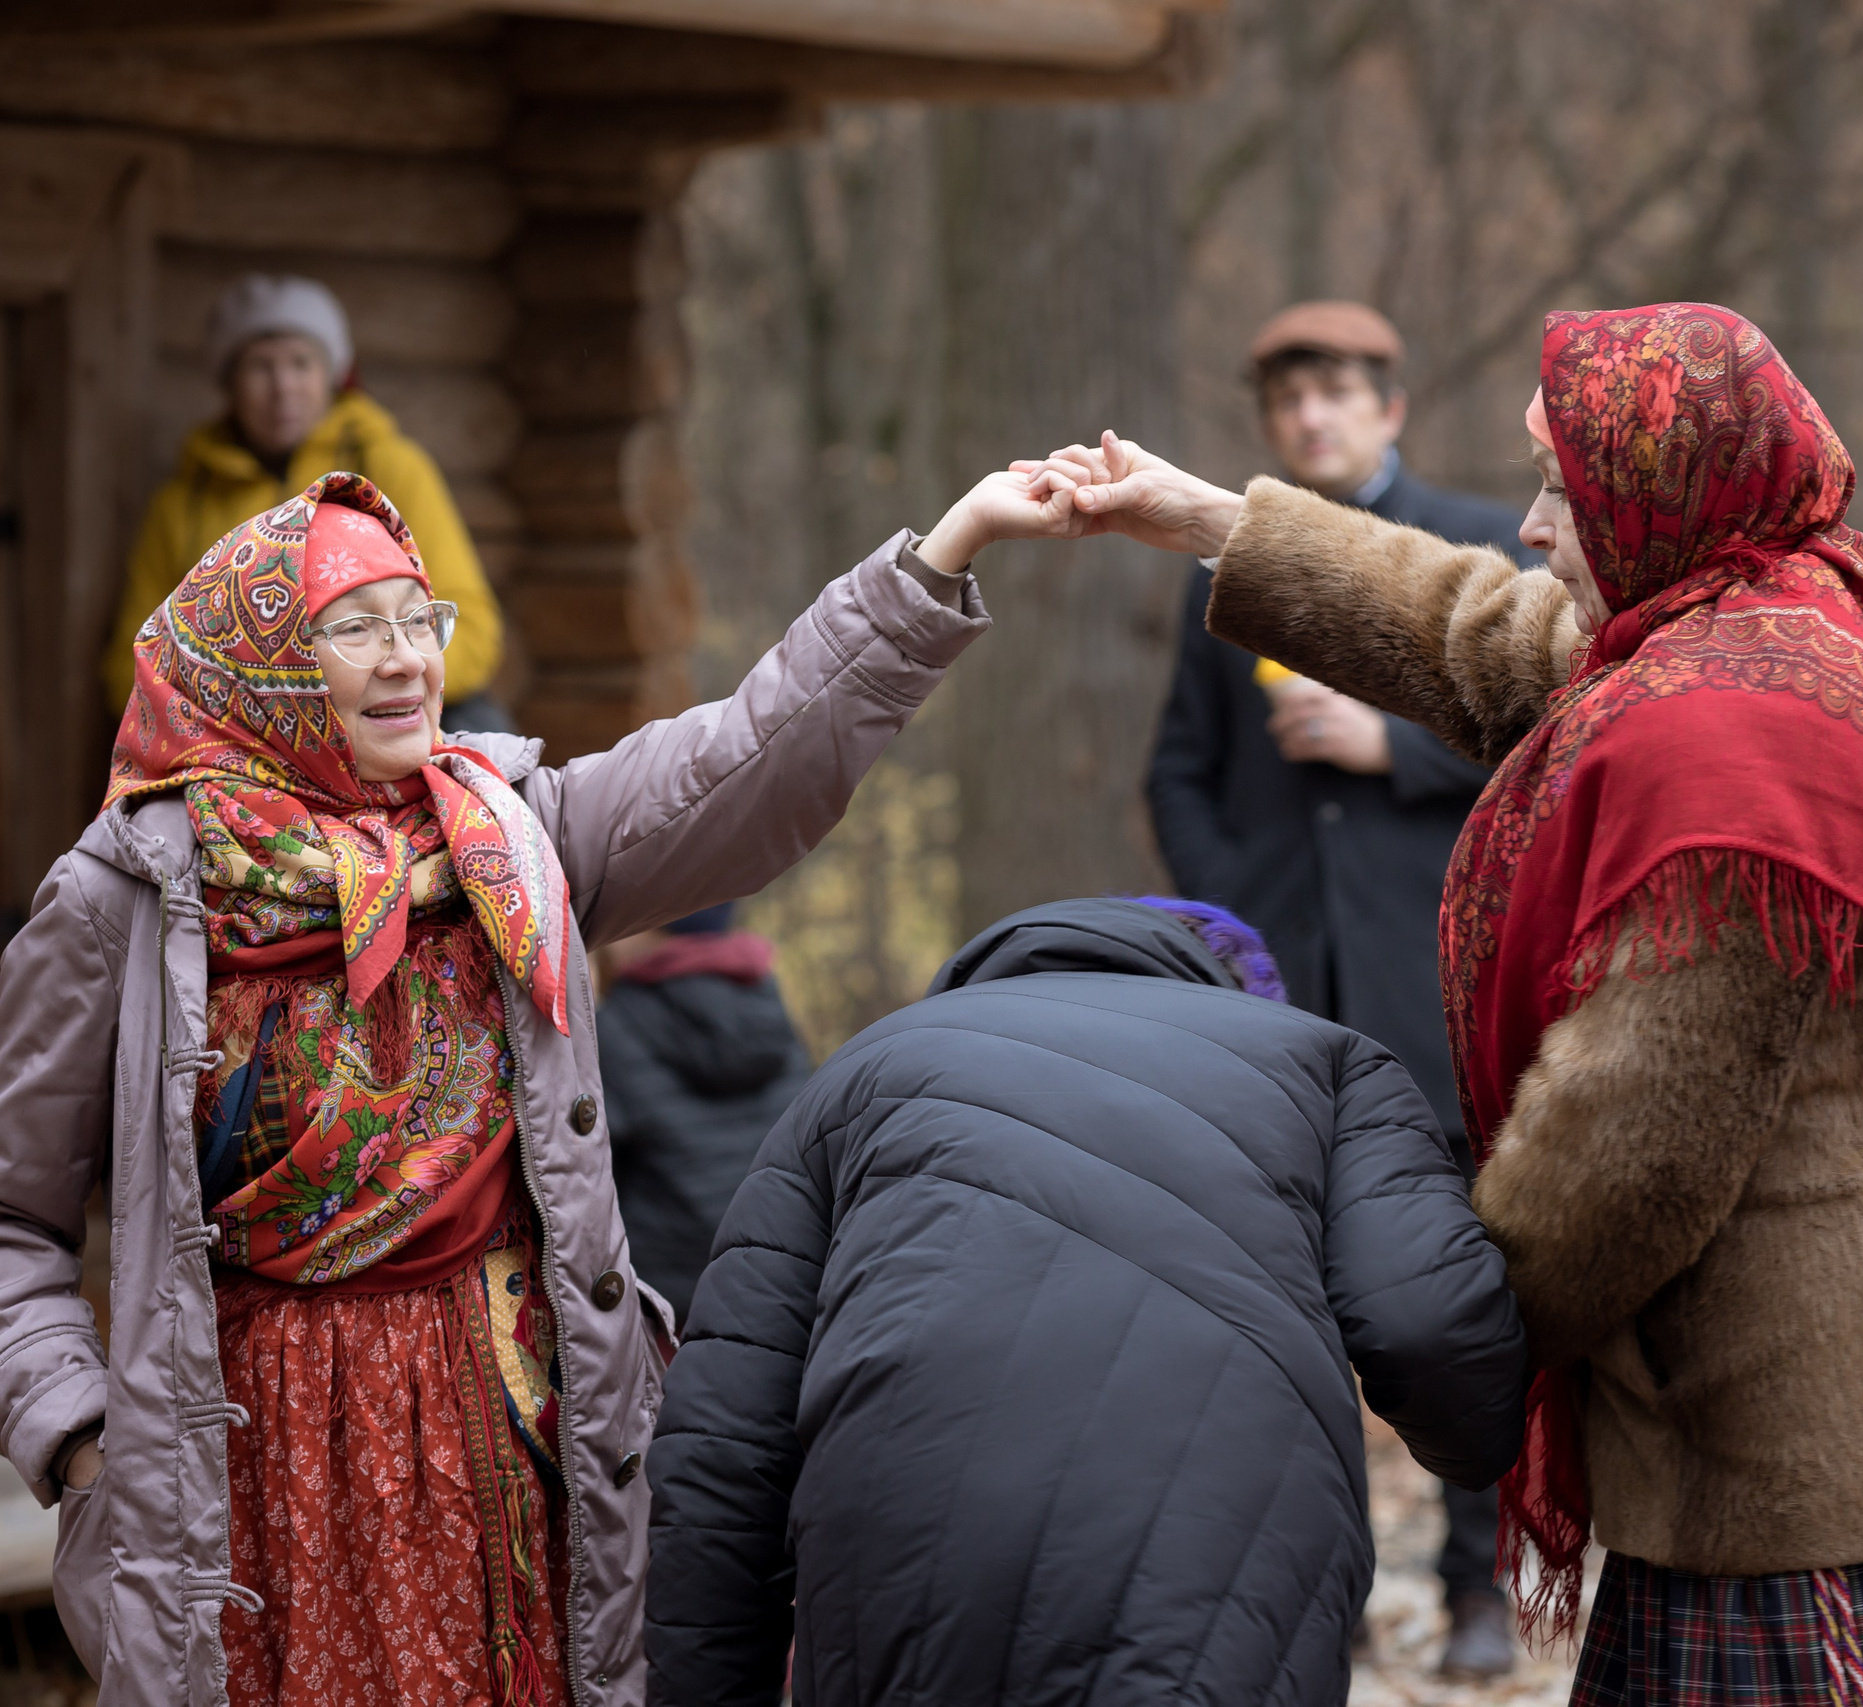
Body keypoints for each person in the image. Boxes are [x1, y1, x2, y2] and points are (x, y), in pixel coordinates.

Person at [1030, 300, 1863, 1705]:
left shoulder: (1724, 767)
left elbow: (1620, 1159)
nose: (1533, 526)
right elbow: (1488, 631)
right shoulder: (1792, 618)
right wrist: (1212, 522)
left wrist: (1425, 1339)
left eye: (1562, 490)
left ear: (1668, 494)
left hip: (1810, 1462)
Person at [0, 455, 1094, 1705]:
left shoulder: (512, 838)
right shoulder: (123, 903)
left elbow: (749, 757)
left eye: (423, 620)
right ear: (258, 671)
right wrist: (80, 1440)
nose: (410, 658)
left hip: (512, 1437)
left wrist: (937, 558)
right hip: (253, 1474)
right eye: (356, 630)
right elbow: (11, 1215)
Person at [644, 895, 1527, 1707]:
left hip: (904, 1553)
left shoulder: (867, 1068)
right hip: (1226, 1553)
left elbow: (725, 1443)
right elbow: (1429, 1322)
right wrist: (1477, 1444)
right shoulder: (1324, 1059)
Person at [1145, 298, 1535, 1676]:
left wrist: (1397, 748)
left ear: (1391, 407)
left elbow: (1550, 744)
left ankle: (1482, 1585)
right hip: (1273, 1003)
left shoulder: (1477, 544)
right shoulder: (1223, 570)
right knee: (1278, 1308)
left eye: (1336, 394)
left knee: (1466, 1295)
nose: (1310, 418)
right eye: (1288, 400)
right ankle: (1322, 1585)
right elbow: (1176, 773)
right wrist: (1224, 915)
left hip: (1434, 988)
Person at [107, 273, 512, 730]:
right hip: (248, 728)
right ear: (230, 384)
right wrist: (248, 712)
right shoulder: (181, 506)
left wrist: (378, 685)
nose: (283, 387)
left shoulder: (392, 467)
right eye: (260, 367)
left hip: (386, 705)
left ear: (332, 376)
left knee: (481, 731)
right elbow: (137, 659)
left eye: (302, 363)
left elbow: (470, 626)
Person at [595, 902, 810, 1327]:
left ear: (643, 927)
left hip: (663, 1311)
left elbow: (590, 1186)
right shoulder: (769, 1008)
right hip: (775, 1292)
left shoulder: (616, 1024)